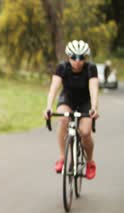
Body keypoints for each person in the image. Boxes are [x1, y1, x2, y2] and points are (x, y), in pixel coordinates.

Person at [43, 40, 99, 180]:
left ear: (85, 58)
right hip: (68, 99)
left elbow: (94, 89)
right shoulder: (62, 67)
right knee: (63, 119)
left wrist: (94, 108)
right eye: (74, 57)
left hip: (85, 101)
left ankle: (90, 162)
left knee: (85, 132)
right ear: (68, 57)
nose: (77, 61)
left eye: (81, 57)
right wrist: (49, 107)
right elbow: (53, 89)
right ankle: (62, 158)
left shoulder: (90, 68)